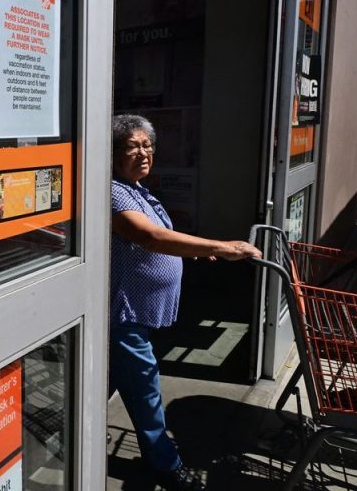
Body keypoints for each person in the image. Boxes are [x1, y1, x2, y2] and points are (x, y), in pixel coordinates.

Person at [109, 114, 261, 491]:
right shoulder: (112, 191)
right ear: (111, 153)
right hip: (123, 311)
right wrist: (221, 247)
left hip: (137, 311)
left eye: (147, 146)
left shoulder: (136, 188)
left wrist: (189, 251)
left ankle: (82, 428)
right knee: (144, 387)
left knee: (118, 378)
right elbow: (149, 236)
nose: (143, 153)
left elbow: (162, 237)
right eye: (132, 147)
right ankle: (166, 464)